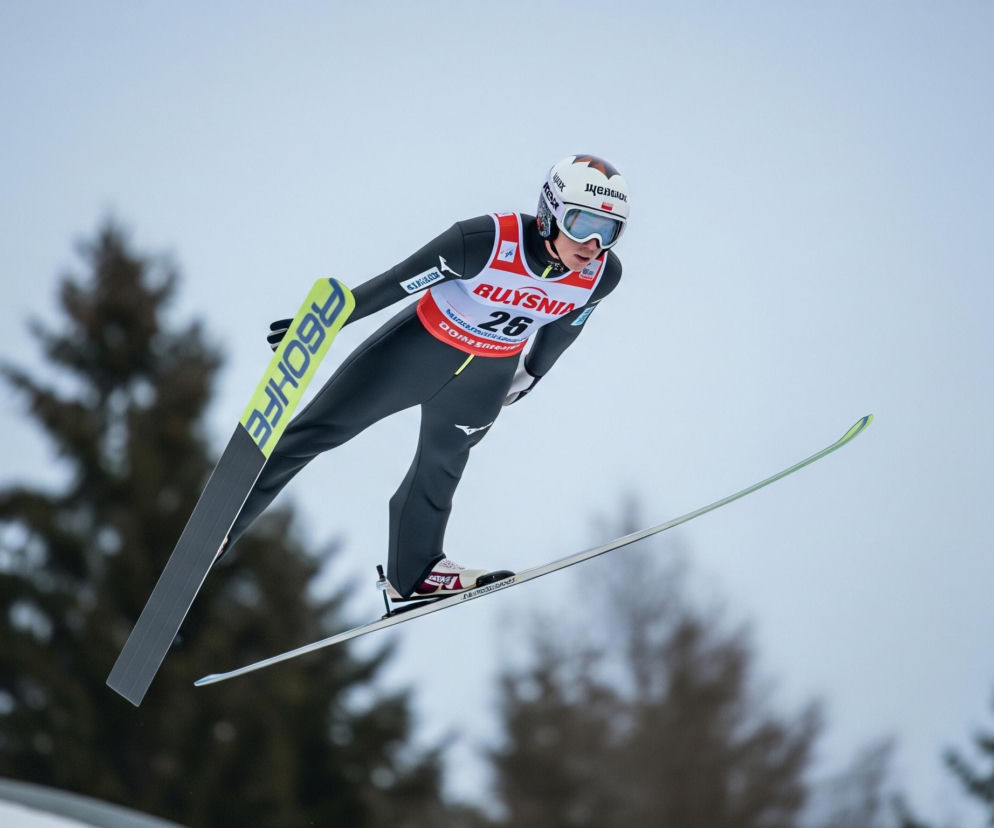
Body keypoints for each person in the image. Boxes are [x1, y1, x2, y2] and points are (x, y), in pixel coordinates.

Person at [223, 154, 630, 600]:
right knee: (320, 429)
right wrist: (327, 321)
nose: (592, 243)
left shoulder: (600, 276)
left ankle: (416, 571)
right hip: (418, 351)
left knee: (443, 464)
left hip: (485, 377)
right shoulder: (485, 240)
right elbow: (396, 282)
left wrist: (533, 371)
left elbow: (566, 326)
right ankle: (223, 523)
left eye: (608, 231)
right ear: (551, 211)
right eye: (580, 224)